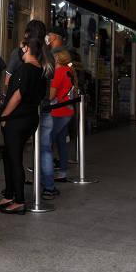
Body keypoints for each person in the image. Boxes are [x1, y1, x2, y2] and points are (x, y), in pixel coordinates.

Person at [0, 36, 49, 214]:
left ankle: (19, 200)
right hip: (31, 117)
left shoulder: (25, 69)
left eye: (21, 46)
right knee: (8, 155)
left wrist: (4, 116)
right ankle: (10, 194)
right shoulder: (41, 70)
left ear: (26, 49)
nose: (19, 49)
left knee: (14, 158)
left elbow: (17, 95)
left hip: (17, 119)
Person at [50, 50, 75, 183]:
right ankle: (62, 172)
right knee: (61, 142)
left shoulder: (59, 72)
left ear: (58, 58)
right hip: (67, 111)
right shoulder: (69, 70)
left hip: (58, 112)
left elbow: (52, 94)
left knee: (47, 142)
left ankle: (45, 174)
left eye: (54, 57)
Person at [5, 20, 47, 86]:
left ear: (27, 34)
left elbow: (7, 81)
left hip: (20, 94)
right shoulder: (47, 55)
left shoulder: (18, 53)